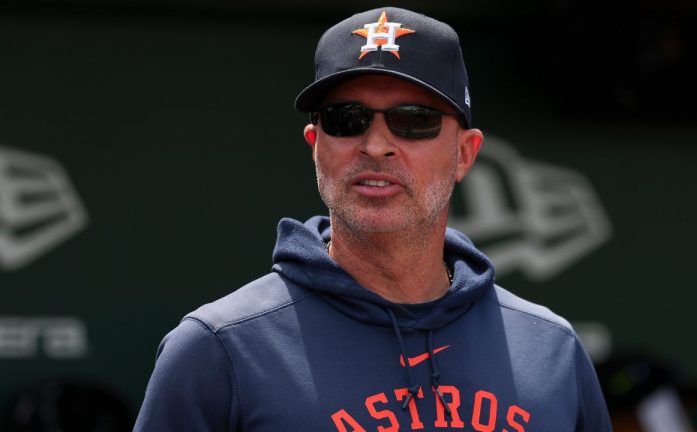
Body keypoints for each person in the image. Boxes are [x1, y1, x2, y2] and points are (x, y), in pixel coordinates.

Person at [134, 7, 611, 431]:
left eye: (413, 120)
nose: (376, 144)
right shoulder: (221, 349)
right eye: (346, 119)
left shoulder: (552, 351)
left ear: (465, 154)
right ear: (315, 146)